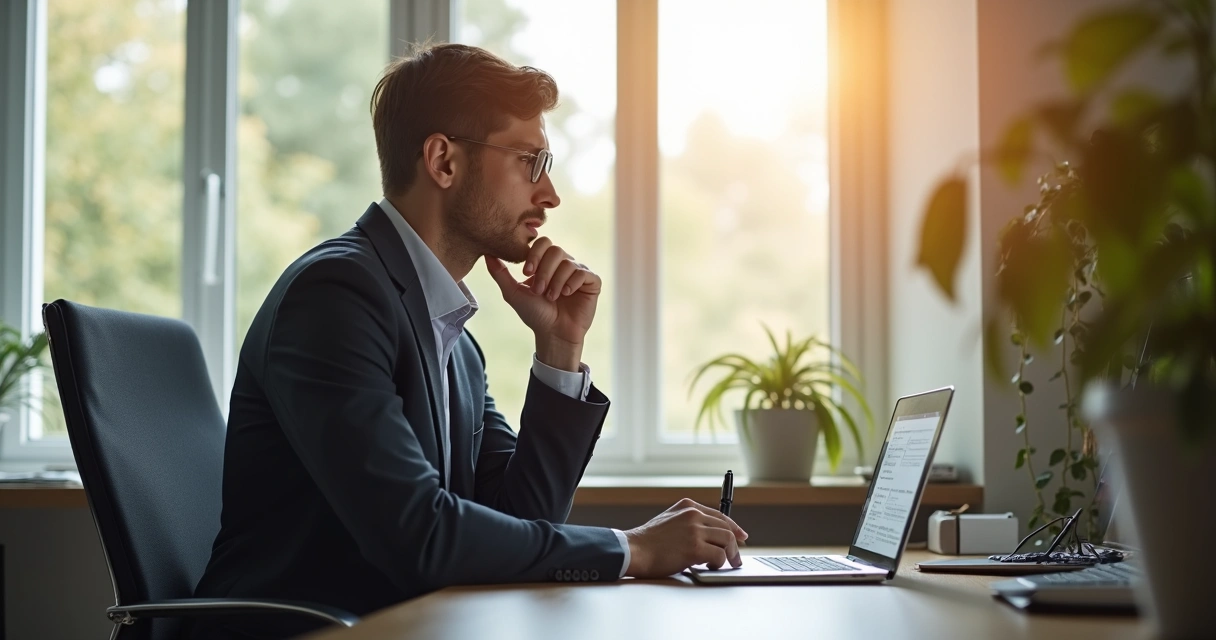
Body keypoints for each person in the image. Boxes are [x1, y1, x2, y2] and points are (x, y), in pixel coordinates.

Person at [188, 43, 747, 639]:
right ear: (443, 162)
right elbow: (418, 536)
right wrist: (631, 549)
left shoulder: (454, 339)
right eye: (530, 161)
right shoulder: (335, 297)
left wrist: (559, 350)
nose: (550, 194)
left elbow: (521, 520)